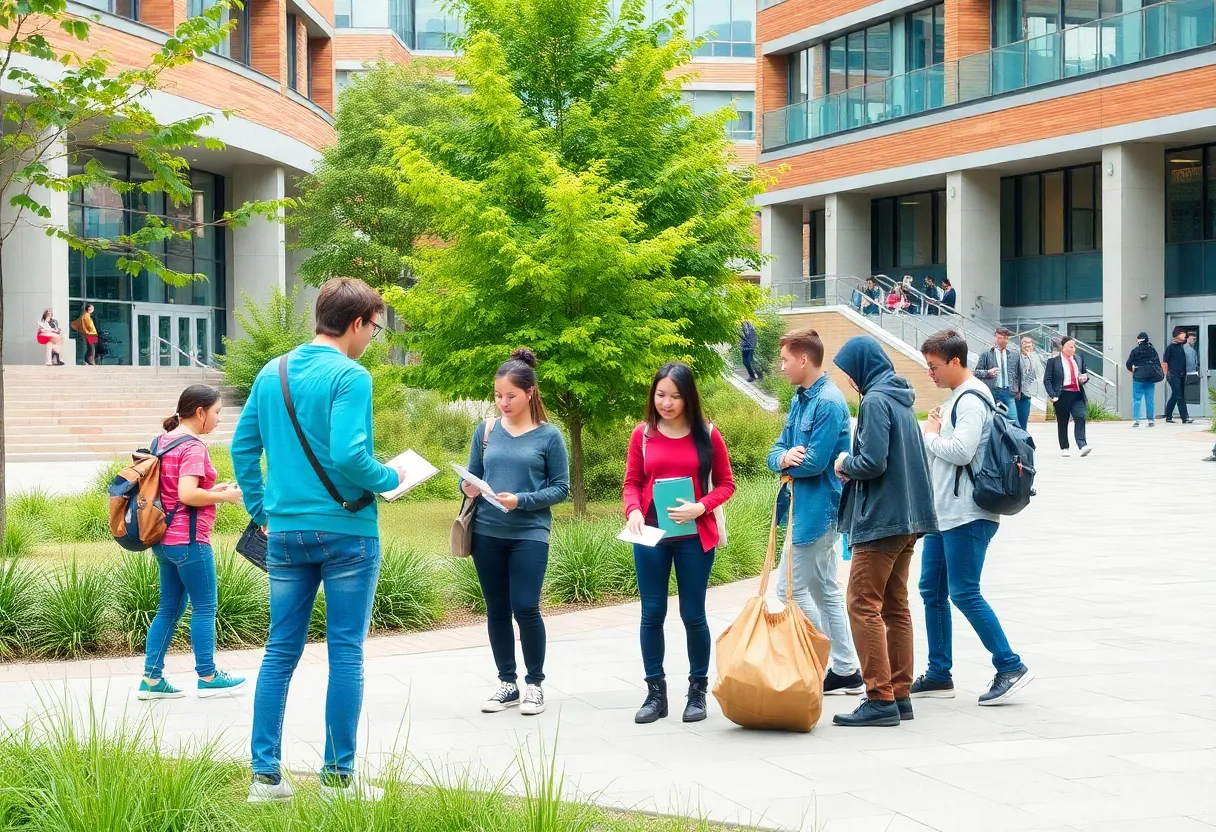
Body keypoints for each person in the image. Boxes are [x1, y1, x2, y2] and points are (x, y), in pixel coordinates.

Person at [233, 277, 410, 804]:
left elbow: (243, 448)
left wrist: (262, 509)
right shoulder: (351, 376)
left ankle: (265, 779)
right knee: (346, 653)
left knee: (279, 652)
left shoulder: (273, 372)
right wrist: (391, 479)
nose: (372, 338)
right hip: (347, 533)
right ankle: (338, 780)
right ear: (357, 323)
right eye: (375, 329)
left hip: (285, 532)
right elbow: (350, 456)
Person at [913, 330, 1033, 707]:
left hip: (968, 513)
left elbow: (962, 452)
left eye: (934, 366)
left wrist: (930, 434)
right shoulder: (956, 401)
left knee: (964, 591)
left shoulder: (971, 400)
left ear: (954, 362)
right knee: (931, 590)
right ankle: (938, 673)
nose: (929, 372)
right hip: (945, 514)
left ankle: (1009, 664)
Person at [831, 336, 937, 727]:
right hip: (908, 519)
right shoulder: (900, 397)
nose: (849, 380)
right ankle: (900, 694)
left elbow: (872, 462)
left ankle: (878, 697)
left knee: (862, 604)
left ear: (862, 367)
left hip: (881, 520)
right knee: (895, 607)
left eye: (849, 372)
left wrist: (845, 462)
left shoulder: (875, 400)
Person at [624, 362, 736, 725]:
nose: (666, 403)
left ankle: (697, 691)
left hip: (694, 537)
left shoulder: (708, 434)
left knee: (693, 614)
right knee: (652, 613)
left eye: (674, 396)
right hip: (651, 535)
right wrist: (633, 512)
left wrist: (700, 506)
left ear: (688, 397)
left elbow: (726, 484)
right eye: (660, 395)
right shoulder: (642, 435)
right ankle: (655, 694)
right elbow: (632, 482)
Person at [465, 349, 570, 718]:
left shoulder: (549, 436)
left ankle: (535, 685)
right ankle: (506, 683)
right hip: (487, 532)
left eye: (510, 395)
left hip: (529, 532)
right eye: (498, 395)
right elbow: (471, 475)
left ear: (529, 393)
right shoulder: (486, 430)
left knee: (525, 606)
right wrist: (470, 488)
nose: (503, 402)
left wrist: (521, 500)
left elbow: (561, 488)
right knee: (496, 609)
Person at [767, 328, 863, 697]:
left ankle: (826, 656)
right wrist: (785, 458)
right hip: (801, 507)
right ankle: (846, 669)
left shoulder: (829, 402)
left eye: (785, 359)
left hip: (819, 510)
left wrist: (788, 462)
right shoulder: (801, 398)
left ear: (803, 359)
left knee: (789, 590)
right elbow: (776, 449)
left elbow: (817, 463)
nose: (781, 366)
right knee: (825, 590)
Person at [138, 385, 247, 702]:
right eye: (216, 413)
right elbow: (186, 495)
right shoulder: (194, 447)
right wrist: (224, 496)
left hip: (162, 539)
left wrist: (215, 489)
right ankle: (208, 675)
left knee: (169, 607)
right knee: (204, 607)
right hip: (188, 541)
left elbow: (171, 490)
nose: (217, 419)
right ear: (200, 412)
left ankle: (151, 679)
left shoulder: (162, 441)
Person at [1043, 336, 1091, 457]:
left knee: (1080, 416)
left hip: (1077, 393)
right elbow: (1047, 380)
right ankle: (1064, 447)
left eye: (1074, 346)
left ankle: (1082, 444)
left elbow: (1084, 374)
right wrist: (1053, 395)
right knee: (1063, 421)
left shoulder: (1078, 359)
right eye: (1070, 346)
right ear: (1062, 347)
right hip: (1062, 394)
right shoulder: (1053, 361)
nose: (1072, 349)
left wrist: (1084, 379)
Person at [974, 327, 1022, 418]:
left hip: (1009, 392)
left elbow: (1018, 374)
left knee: (1013, 420)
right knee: (994, 420)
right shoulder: (986, 354)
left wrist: (1018, 390)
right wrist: (988, 373)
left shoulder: (1014, 355)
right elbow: (976, 373)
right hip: (993, 392)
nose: (1002, 341)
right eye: (1000, 338)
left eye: (1005, 338)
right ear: (995, 338)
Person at [1125, 332, 1162, 428]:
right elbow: (1157, 363)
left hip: (1138, 377)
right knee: (1150, 399)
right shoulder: (1152, 350)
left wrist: (1133, 371)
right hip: (1150, 378)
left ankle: (1137, 420)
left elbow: (1128, 364)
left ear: (1138, 340)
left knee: (1137, 399)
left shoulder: (1135, 351)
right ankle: (1150, 420)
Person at [1163, 327, 1193, 424]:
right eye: (1182, 333)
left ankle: (1182, 417)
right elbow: (1165, 362)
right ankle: (1172, 415)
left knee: (1180, 395)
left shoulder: (1182, 346)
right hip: (1173, 374)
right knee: (1176, 395)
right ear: (1177, 335)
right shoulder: (1171, 347)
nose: (1184, 335)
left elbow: (1187, 338)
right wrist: (1166, 374)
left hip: (1181, 374)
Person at [1014, 336, 1037, 431]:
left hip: (1026, 394)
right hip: (1016, 394)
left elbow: (1034, 375)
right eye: (1024, 342)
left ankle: (1023, 443)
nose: (1027, 344)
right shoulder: (1016, 357)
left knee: (1024, 421)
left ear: (1032, 345)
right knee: (1015, 421)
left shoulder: (1035, 359)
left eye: (1029, 342)